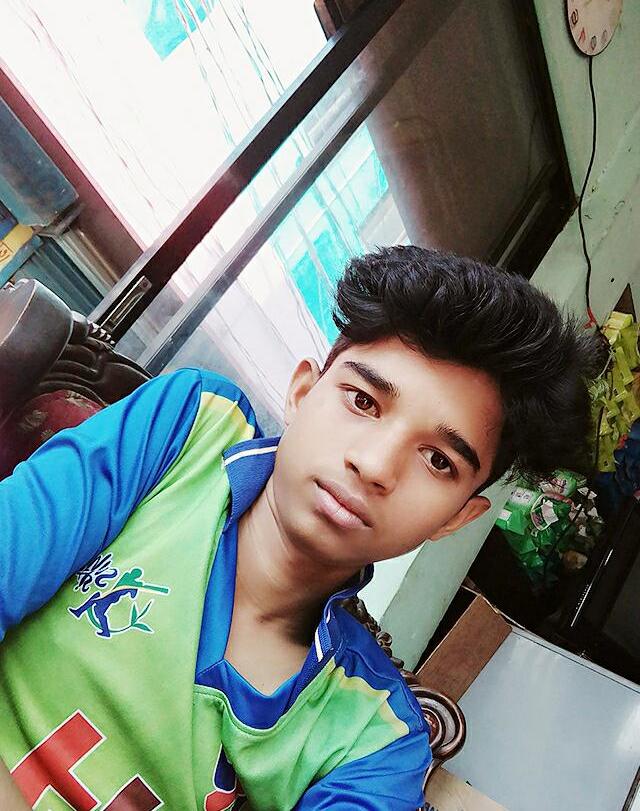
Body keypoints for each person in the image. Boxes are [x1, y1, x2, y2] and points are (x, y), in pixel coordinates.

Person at [0, 246, 597, 810]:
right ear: (303, 392)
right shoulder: (191, 430)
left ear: (456, 518)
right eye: (363, 401)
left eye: (439, 461)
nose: (375, 465)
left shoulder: (375, 739)